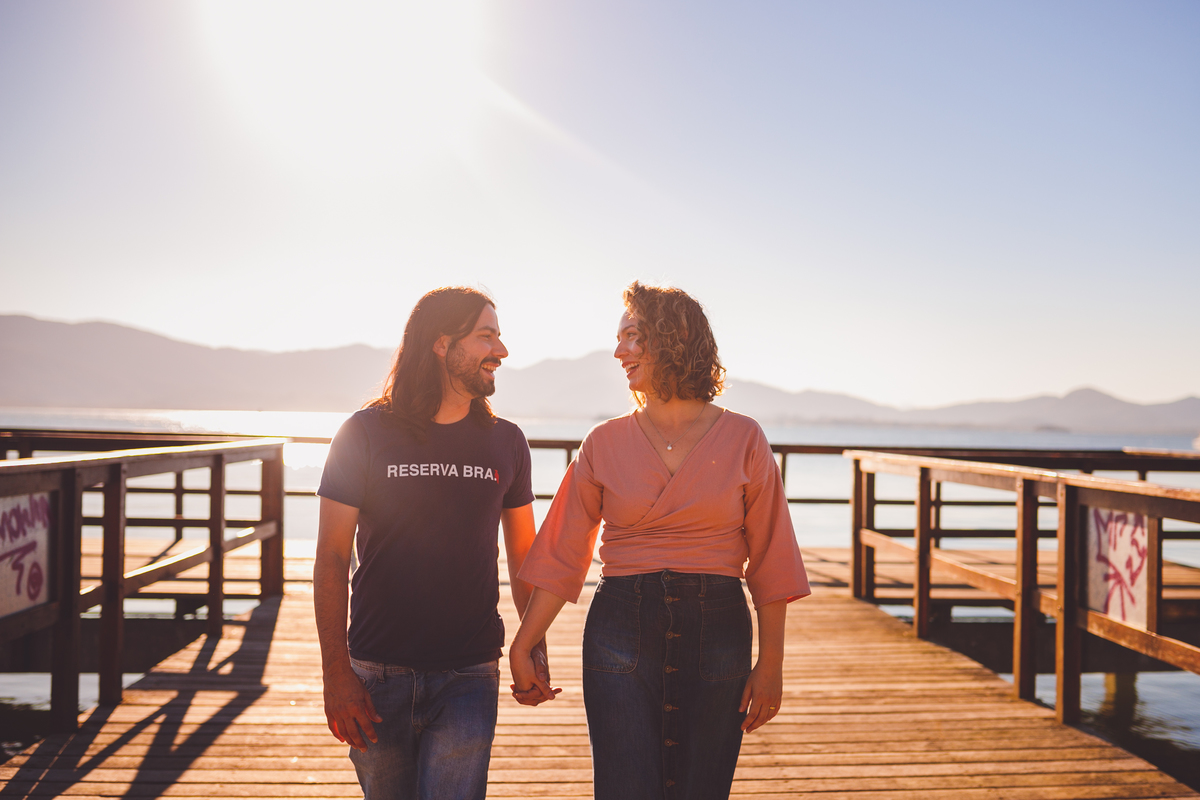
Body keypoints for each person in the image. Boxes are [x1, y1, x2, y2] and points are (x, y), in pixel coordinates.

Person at [508, 281, 810, 800]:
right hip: (619, 627)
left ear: (675, 337)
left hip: (719, 631)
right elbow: (563, 554)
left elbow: (771, 560)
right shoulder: (602, 442)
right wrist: (525, 641)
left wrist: (772, 665)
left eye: (632, 336)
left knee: (702, 789)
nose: (619, 351)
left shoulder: (745, 438)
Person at [314, 286, 553, 800]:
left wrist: (532, 645)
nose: (502, 352)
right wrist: (336, 674)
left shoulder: (507, 441)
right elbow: (332, 557)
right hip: (376, 673)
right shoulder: (363, 433)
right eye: (486, 336)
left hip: (468, 673)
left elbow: (525, 558)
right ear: (442, 344)